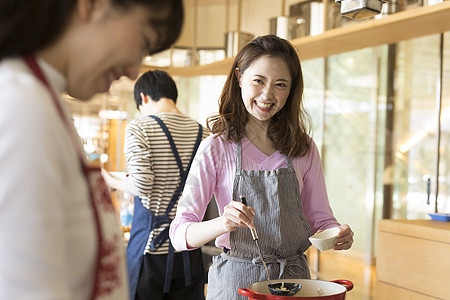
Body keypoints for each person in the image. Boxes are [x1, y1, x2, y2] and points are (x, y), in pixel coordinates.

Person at [0, 1, 183, 300]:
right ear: (94, 5)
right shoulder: (23, 108)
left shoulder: (42, 100)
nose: (134, 70)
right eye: (144, 42)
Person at [169, 35, 355, 300]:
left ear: (292, 90)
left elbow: (320, 219)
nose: (268, 95)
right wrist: (224, 223)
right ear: (239, 78)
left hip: (295, 284)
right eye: (259, 80)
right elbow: (179, 235)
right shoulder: (216, 148)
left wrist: (338, 235)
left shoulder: (304, 148)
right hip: (235, 284)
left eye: (281, 84)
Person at [102, 70, 210, 300]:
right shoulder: (204, 134)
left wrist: (110, 180)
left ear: (143, 98)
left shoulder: (139, 127)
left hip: (150, 249)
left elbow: (141, 185)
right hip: (188, 248)